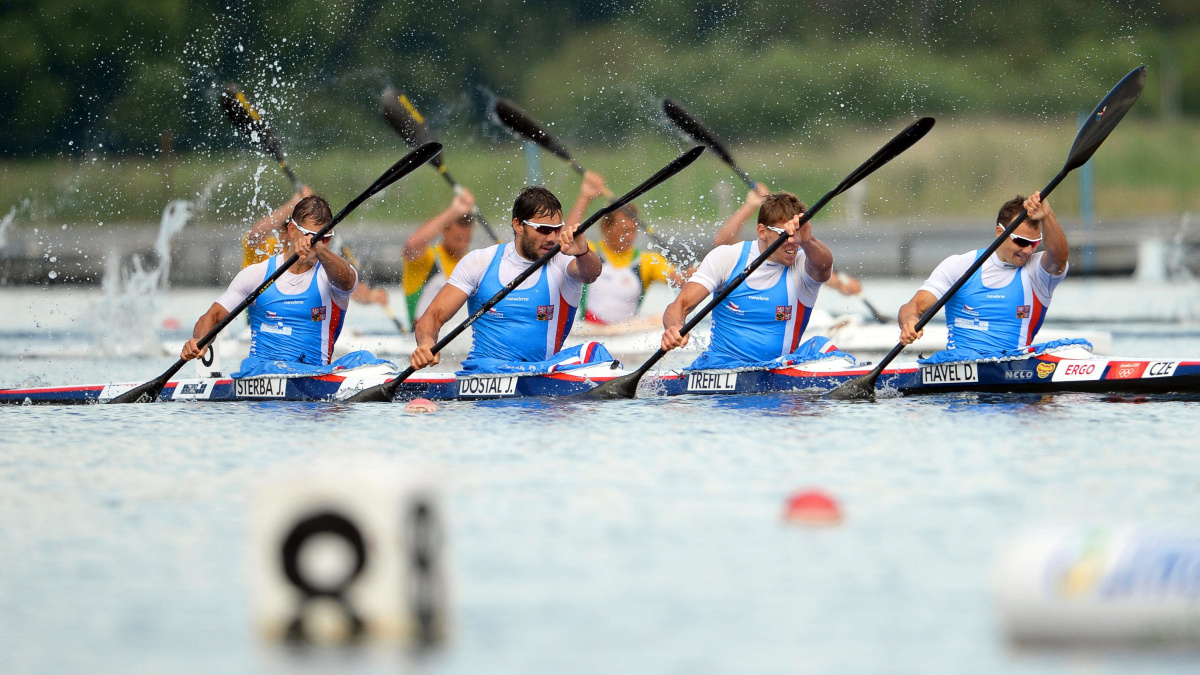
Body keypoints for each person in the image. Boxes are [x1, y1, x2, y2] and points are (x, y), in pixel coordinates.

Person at [409, 186, 603, 371]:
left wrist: (584, 252)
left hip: (542, 374)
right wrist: (427, 343)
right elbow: (434, 316)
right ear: (518, 225)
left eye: (557, 229)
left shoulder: (562, 261)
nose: (552, 238)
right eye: (543, 229)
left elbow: (591, 274)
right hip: (485, 374)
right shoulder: (479, 262)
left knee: (594, 352)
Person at [660, 192, 834, 368]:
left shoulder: (802, 264)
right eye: (784, 234)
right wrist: (674, 328)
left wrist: (808, 240)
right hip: (722, 368)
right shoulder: (727, 258)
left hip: (780, 369)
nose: (793, 241)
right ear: (762, 231)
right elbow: (679, 306)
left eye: (797, 235)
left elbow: (824, 266)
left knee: (823, 347)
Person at [181, 195, 358, 367]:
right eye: (310, 236)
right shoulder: (256, 275)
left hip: (313, 378)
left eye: (325, 238)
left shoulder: (331, 276)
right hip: (259, 378)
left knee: (361, 358)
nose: (319, 243)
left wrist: (318, 247)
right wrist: (199, 340)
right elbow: (212, 316)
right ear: (291, 230)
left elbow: (348, 281)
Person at [897, 192, 1068, 353]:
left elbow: (1058, 258)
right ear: (1000, 233)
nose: (1028, 251)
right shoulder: (960, 266)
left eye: (1034, 243)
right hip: (958, 368)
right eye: (1022, 241)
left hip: (1014, 369)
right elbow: (914, 307)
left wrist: (1047, 216)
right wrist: (909, 321)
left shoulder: (1037, 272)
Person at [565, 171, 686, 327]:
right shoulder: (589, 251)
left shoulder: (648, 261)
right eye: (624, 231)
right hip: (590, 330)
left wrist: (692, 275)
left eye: (633, 231)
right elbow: (565, 240)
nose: (629, 237)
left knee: (657, 318)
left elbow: (679, 280)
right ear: (606, 228)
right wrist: (585, 197)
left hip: (627, 335)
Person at [244, 186, 389, 308]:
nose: (309, 240)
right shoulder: (264, 248)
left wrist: (370, 296)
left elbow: (343, 285)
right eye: (305, 233)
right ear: (291, 230)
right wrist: (295, 202)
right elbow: (255, 235)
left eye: (313, 235)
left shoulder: (314, 254)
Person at [714, 184, 862, 296]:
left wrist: (845, 285)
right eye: (783, 233)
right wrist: (749, 206)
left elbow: (831, 277)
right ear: (762, 232)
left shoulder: (800, 257)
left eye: (794, 232)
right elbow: (722, 241)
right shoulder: (752, 251)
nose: (790, 241)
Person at [402, 189, 476, 323]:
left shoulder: (472, 261)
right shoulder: (427, 258)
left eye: (467, 240)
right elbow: (412, 245)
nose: (462, 245)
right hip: (421, 340)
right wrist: (454, 211)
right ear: (444, 231)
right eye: (458, 239)